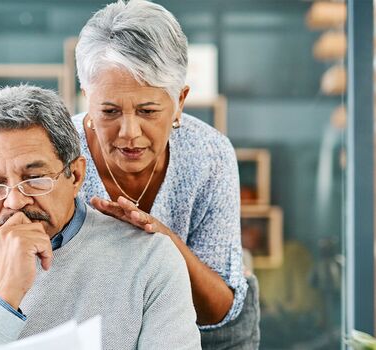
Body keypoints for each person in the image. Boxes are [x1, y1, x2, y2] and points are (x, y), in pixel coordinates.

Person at [0, 85, 201, 350]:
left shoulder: (150, 260)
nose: (14, 200)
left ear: (75, 175)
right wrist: (6, 292)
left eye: (34, 178)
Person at [73, 1, 259, 348]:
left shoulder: (209, 155)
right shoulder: (59, 153)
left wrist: (160, 238)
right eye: (109, 110)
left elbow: (218, 311)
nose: (129, 131)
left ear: (180, 101)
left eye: (148, 110)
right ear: (86, 97)